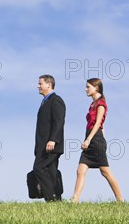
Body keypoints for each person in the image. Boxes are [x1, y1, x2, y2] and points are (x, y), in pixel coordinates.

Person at [71, 78, 123, 203]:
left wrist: (89, 140)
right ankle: (75, 199)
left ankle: (120, 200)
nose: (86, 89)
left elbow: (99, 123)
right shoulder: (92, 104)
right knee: (80, 170)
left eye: (88, 87)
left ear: (96, 88)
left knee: (105, 171)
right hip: (91, 138)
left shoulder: (101, 104)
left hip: (95, 140)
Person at [33, 74, 66, 202]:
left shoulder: (56, 100)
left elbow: (59, 122)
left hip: (51, 144)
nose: (38, 86)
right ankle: (57, 199)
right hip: (43, 145)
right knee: (51, 172)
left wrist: (53, 139)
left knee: (39, 168)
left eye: (40, 83)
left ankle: (50, 198)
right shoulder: (45, 102)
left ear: (49, 84)